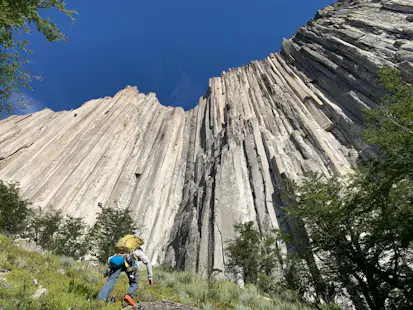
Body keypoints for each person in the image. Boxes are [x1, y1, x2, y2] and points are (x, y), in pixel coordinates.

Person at [97, 236, 153, 307]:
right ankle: (129, 295)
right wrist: (150, 277)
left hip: (117, 261)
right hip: (129, 264)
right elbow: (148, 262)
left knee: (110, 281)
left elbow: (110, 259)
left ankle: (100, 300)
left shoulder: (121, 251)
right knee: (134, 282)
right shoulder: (138, 251)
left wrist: (108, 271)